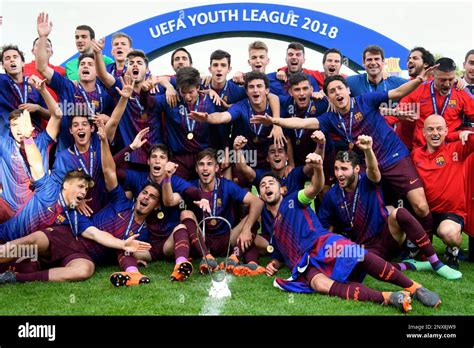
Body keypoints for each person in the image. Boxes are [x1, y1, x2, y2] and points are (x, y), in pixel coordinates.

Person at [251, 71, 436, 236]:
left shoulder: (365, 100)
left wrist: (419, 80)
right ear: (329, 98)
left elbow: (397, 93)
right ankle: (351, 237)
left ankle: (425, 247)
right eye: (332, 91)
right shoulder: (331, 118)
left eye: (340, 88)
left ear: (348, 90)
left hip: (393, 157)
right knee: (362, 203)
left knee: (419, 205)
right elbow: (302, 123)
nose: (337, 93)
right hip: (368, 165)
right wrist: (274, 121)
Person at [261, 153, 440, 313]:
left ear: (282, 190)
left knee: (358, 255)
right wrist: (273, 264)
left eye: (271, 183)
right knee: (319, 284)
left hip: (323, 244)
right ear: (260, 195)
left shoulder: (293, 199)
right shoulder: (274, 232)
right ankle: (388, 297)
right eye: (263, 185)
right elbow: (278, 257)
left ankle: (415, 288)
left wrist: (317, 167)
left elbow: (315, 187)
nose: (267, 186)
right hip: (305, 265)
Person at [318, 135, 461, 280]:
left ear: (356, 169)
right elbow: (325, 231)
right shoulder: (331, 195)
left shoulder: (367, 181)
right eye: (336, 169)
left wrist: (368, 150)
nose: (339, 174)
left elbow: (373, 171)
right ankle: (411, 265)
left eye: (344, 169)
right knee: (360, 263)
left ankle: (436, 263)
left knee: (399, 212)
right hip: (361, 248)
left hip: (386, 238)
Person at [0, 170, 151, 285]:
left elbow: (95, 234)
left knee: (85, 269)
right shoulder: (50, 192)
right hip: (58, 237)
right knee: (32, 241)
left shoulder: (76, 214)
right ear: (65, 185)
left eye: (85, 189)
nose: (84, 192)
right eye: (80, 186)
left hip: (77, 250)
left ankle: (16, 278)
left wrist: (123, 244)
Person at [35, 13, 113, 152]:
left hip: (93, 156)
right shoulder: (66, 86)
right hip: (65, 153)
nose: (85, 66)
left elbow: (113, 123)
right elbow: (41, 67)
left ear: (98, 71)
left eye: (90, 64)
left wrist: (108, 119)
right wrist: (43, 37)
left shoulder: (105, 97)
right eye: (82, 64)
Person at [187, 148, 264, 276]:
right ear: (196, 169)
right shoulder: (190, 186)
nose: (205, 168)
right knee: (185, 214)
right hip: (203, 240)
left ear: (217, 168)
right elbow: (171, 200)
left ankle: (234, 258)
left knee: (253, 217)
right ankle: (206, 258)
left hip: (228, 238)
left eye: (209, 164)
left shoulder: (226, 185)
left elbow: (257, 202)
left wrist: (246, 229)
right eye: (201, 164)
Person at [189, 71, 285, 172]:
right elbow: (224, 116)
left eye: (259, 86)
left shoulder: (276, 104)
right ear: (246, 92)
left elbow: (277, 98)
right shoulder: (241, 106)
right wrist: (208, 118)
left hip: (269, 159)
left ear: (267, 90)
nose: (255, 90)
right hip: (247, 158)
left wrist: (276, 124)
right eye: (251, 87)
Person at [412, 115, 474, 269]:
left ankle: (452, 250)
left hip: (450, 214)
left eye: (440, 129)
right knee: (399, 220)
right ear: (423, 133)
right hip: (423, 213)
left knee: (449, 233)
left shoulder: (457, 149)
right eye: (430, 129)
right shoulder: (415, 154)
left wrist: (469, 134)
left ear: (446, 131)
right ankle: (412, 248)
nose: (435, 133)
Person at [0, 77, 61, 221]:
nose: (20, 129)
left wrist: (43, 91)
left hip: (38, 210)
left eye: (23, 124)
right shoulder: (4, 144)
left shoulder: (42, 141)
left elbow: (57, 115)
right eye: (15, 125)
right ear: (10, 129)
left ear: (30, 126)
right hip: (9, 210)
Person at [92, 40, 162, 165]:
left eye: (139, 63)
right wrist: (97, 53)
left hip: (154, 160)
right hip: (129, 158)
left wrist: (169, 86)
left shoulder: (158, 90)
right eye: (131, 63)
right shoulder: (121, 87)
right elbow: (102, 75)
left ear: (147, 70)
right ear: (126, 69)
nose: (135, 65)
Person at [397, 57, 474, 149]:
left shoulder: (461, 91)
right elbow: (394, 113)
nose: (447, 84)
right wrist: (396, 113)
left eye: (451, 79)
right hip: (422, 150)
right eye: (442, 80)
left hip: (450, 149)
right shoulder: (418, 90)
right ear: (433, 75)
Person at [0, 44, 49, 136]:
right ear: (3, 66)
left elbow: (51, 115)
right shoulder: (1, 81)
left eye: (15, 57)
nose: (12, 60)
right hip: (9, 138)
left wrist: (38, 108)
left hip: (35, 136)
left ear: (23, 63)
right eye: (7, 58)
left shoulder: (35, 84)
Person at [276, 48, 347, 90]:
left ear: (340, 65)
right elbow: (297, 68)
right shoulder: (315, 75)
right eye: (329, 60)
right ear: (323, 64)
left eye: (336, 61)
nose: (333, 64)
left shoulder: (347, 80)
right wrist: (282, 70)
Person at [23, 37, 66, 103]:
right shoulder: (22, 68)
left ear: (51, 52)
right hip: (30, 109)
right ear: (32, 51)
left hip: (55, 111)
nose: (42, 48)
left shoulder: (61, 71)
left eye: (47, 46)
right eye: (39, 45)